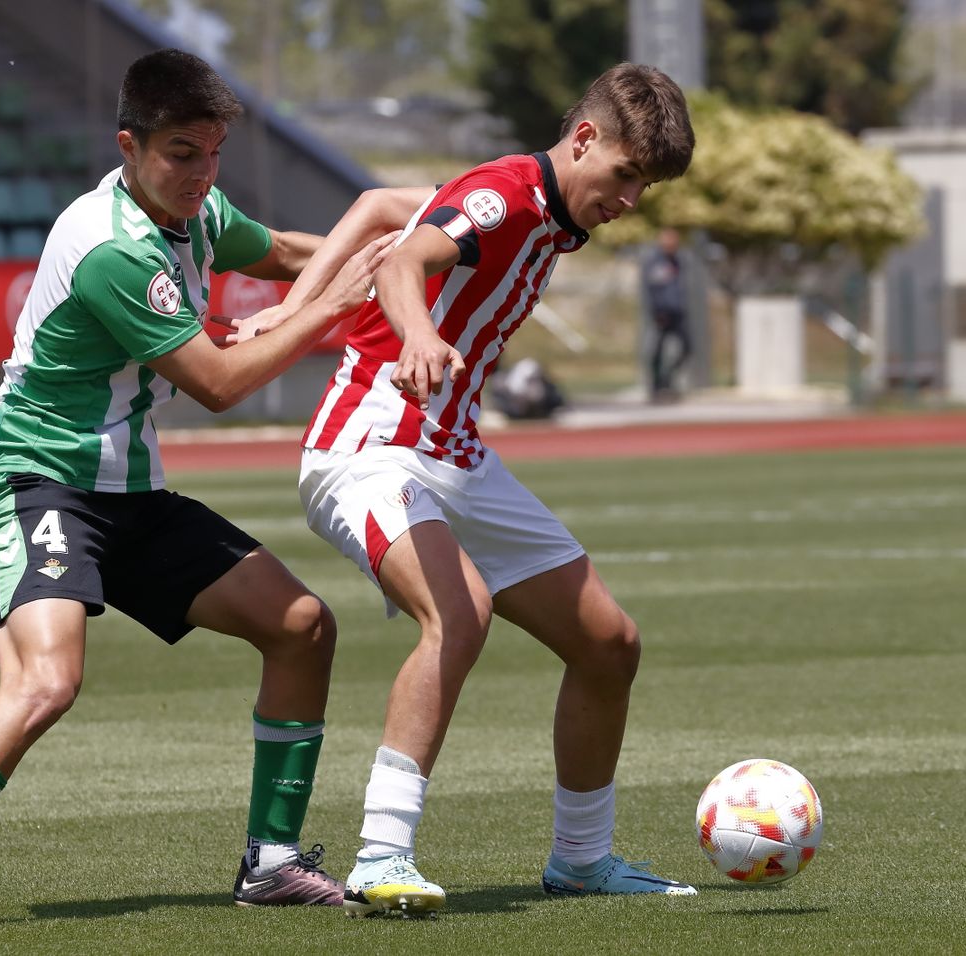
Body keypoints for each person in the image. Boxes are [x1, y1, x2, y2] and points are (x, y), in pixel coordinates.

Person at [0, 49, 412, 937]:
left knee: (301, 625)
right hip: (36, 484)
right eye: (182, 152)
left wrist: (410, 254)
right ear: (129, 144)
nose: (203, 173)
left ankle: (271, 864)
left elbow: (285, 255)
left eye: (216, 152)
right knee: (46, 681)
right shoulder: (112, 247)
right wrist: (333, 302)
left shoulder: (196, 212)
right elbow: (219, 383)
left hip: (131, 495)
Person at [298, 62, 698, 917]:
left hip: (453, 450)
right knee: (461, 611)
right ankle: (379, 857)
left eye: (646, 186)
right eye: (627, 174)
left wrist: (288, 305)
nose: (631, 198)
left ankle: (583, 862)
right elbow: (406, 261)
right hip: (369, 444)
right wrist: (416, 335)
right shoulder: (506, 195)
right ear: (583, 139)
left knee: (609, 644)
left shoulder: (551, 208)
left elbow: (376, 210)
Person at [642, 226, 692, 401]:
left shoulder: (678, 261)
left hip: (678, 313)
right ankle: (657, 387)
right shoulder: (655, 261)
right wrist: (658, 311)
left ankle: (668, 382)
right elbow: (652, 289)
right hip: (661, 314)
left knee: (686, 348)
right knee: (656, 351)